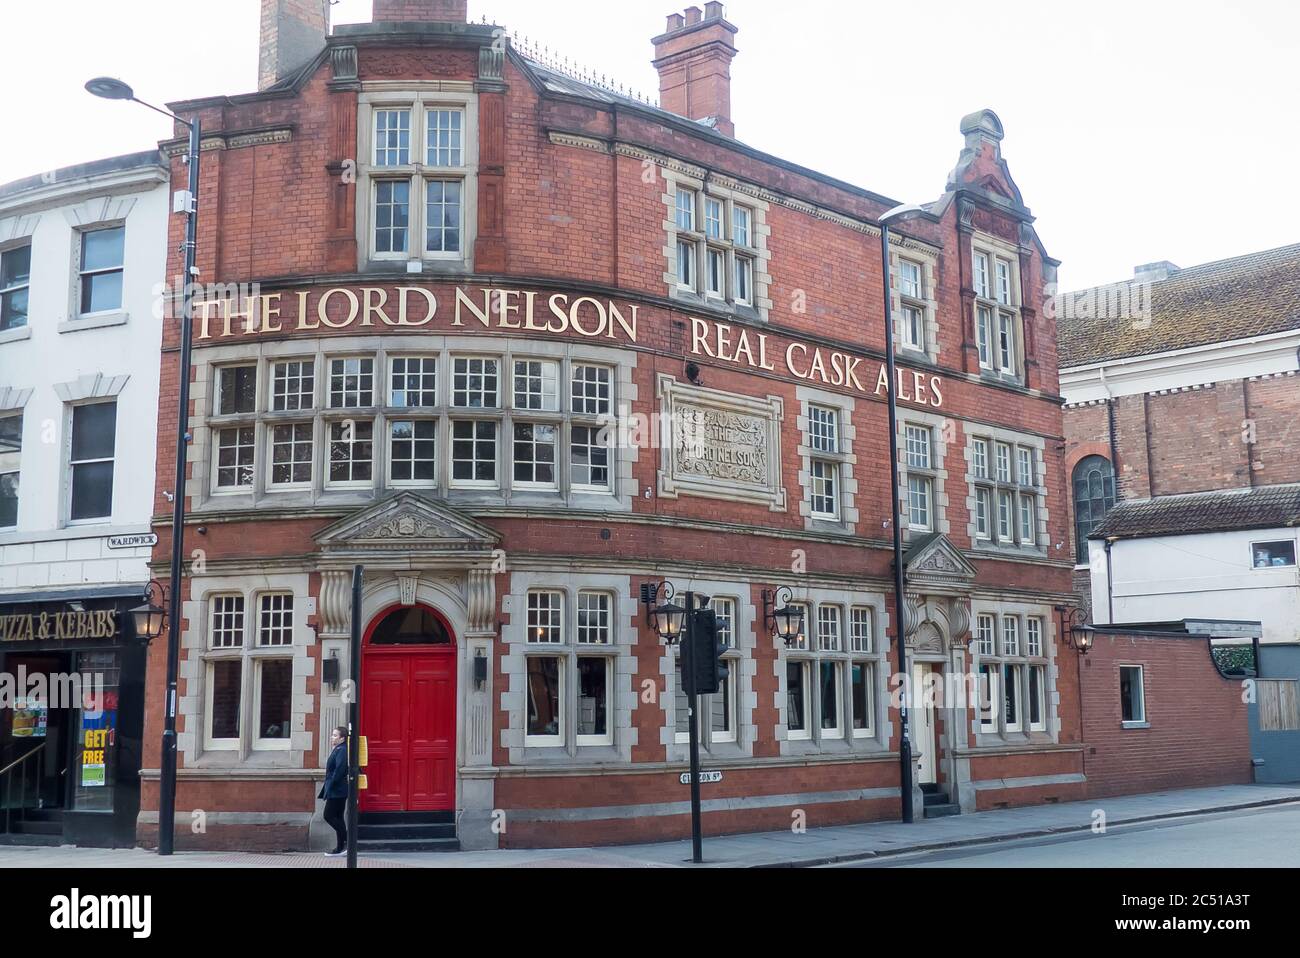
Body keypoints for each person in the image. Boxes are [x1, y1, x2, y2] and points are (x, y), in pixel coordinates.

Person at [320, 726, 349, 857]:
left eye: (335, 735)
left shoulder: (342, 750)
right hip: (337, 789)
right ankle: (340, 847)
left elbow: (339, 769)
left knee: (328, 815)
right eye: (332, 735)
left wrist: (331, 784)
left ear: (342, 738)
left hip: (337, 790)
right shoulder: (338, 749)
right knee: (338, 817)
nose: (332, 737)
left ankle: (348, 840)